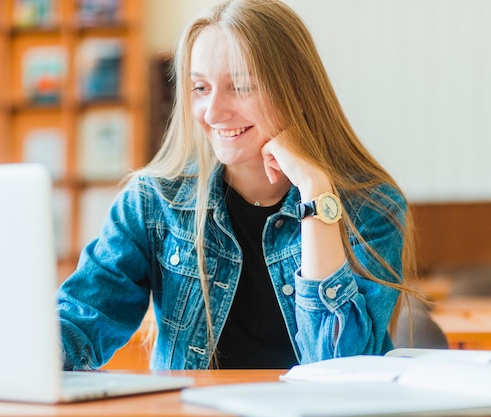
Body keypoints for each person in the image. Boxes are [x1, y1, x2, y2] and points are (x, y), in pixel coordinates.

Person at [57, 0, 418, 370]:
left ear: (296, 91)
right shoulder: (152, 203)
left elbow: (341, 369)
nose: (213, 113)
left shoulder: (371, 207)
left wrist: (315, 192)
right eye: (200, 87)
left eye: (240, 86)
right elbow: (80, 319)